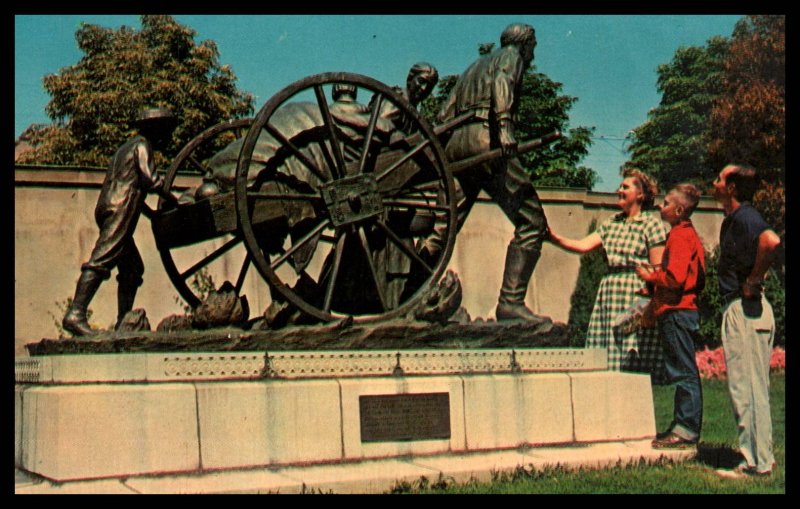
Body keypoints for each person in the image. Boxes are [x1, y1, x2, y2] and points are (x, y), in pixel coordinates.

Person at [424, 23, 549, 324]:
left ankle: (412, 295)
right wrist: (505, 128)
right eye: (533, 45)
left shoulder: (472, 68)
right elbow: (502, 84)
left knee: (444, 226)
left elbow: (443, 114)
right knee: (532, 221)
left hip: (457, 148)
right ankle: (510, 303)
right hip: (486, 141)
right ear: (525, 43)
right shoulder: (511, 56)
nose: (533, 52)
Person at [62, 107, 177, 336]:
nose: (168, 136)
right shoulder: (142, 145)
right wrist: (173, 200)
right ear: (156, 129)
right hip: (120, 208)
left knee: (132, 268)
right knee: (102, 258)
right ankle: (76, 313)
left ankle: (123, 321)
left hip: (110, 206)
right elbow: (149, 179)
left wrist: (151, 213)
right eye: (166, 130)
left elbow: (131, 184)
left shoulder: (124, 148)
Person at [548, 168, 668, 375]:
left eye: (625, 187)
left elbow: (658, 270)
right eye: (619, 186)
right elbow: (582, 245)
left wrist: (651, 307)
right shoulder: (611, 223)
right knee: (608, 354)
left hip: (636, 293)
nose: (619, 190)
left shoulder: (651, 224)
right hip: (610, 290)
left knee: (632, 357)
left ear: (640, 194)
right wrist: (553, 237)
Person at [711, 164, 780, 478]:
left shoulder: (745, 217)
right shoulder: (738, 218)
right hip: (749, 309)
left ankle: (754, 463)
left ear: (732, 188)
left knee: (746, 387)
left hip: (745, 308)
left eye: (719, 179)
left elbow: (771, 241)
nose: (713, 184)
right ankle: (763, 456)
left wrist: (753, 279)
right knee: (755, 388)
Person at [635, 184, 706, 448]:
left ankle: (686, 429)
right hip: (682, 309)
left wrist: (650, 276)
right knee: (683, 369)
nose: (660, 207)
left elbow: (675, 279)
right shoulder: (686, 234)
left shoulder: (678, 236)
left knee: (683, 371)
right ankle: (682, 425)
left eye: (665, 203)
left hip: (676, 311)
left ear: (678, 210)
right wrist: (653, 287)